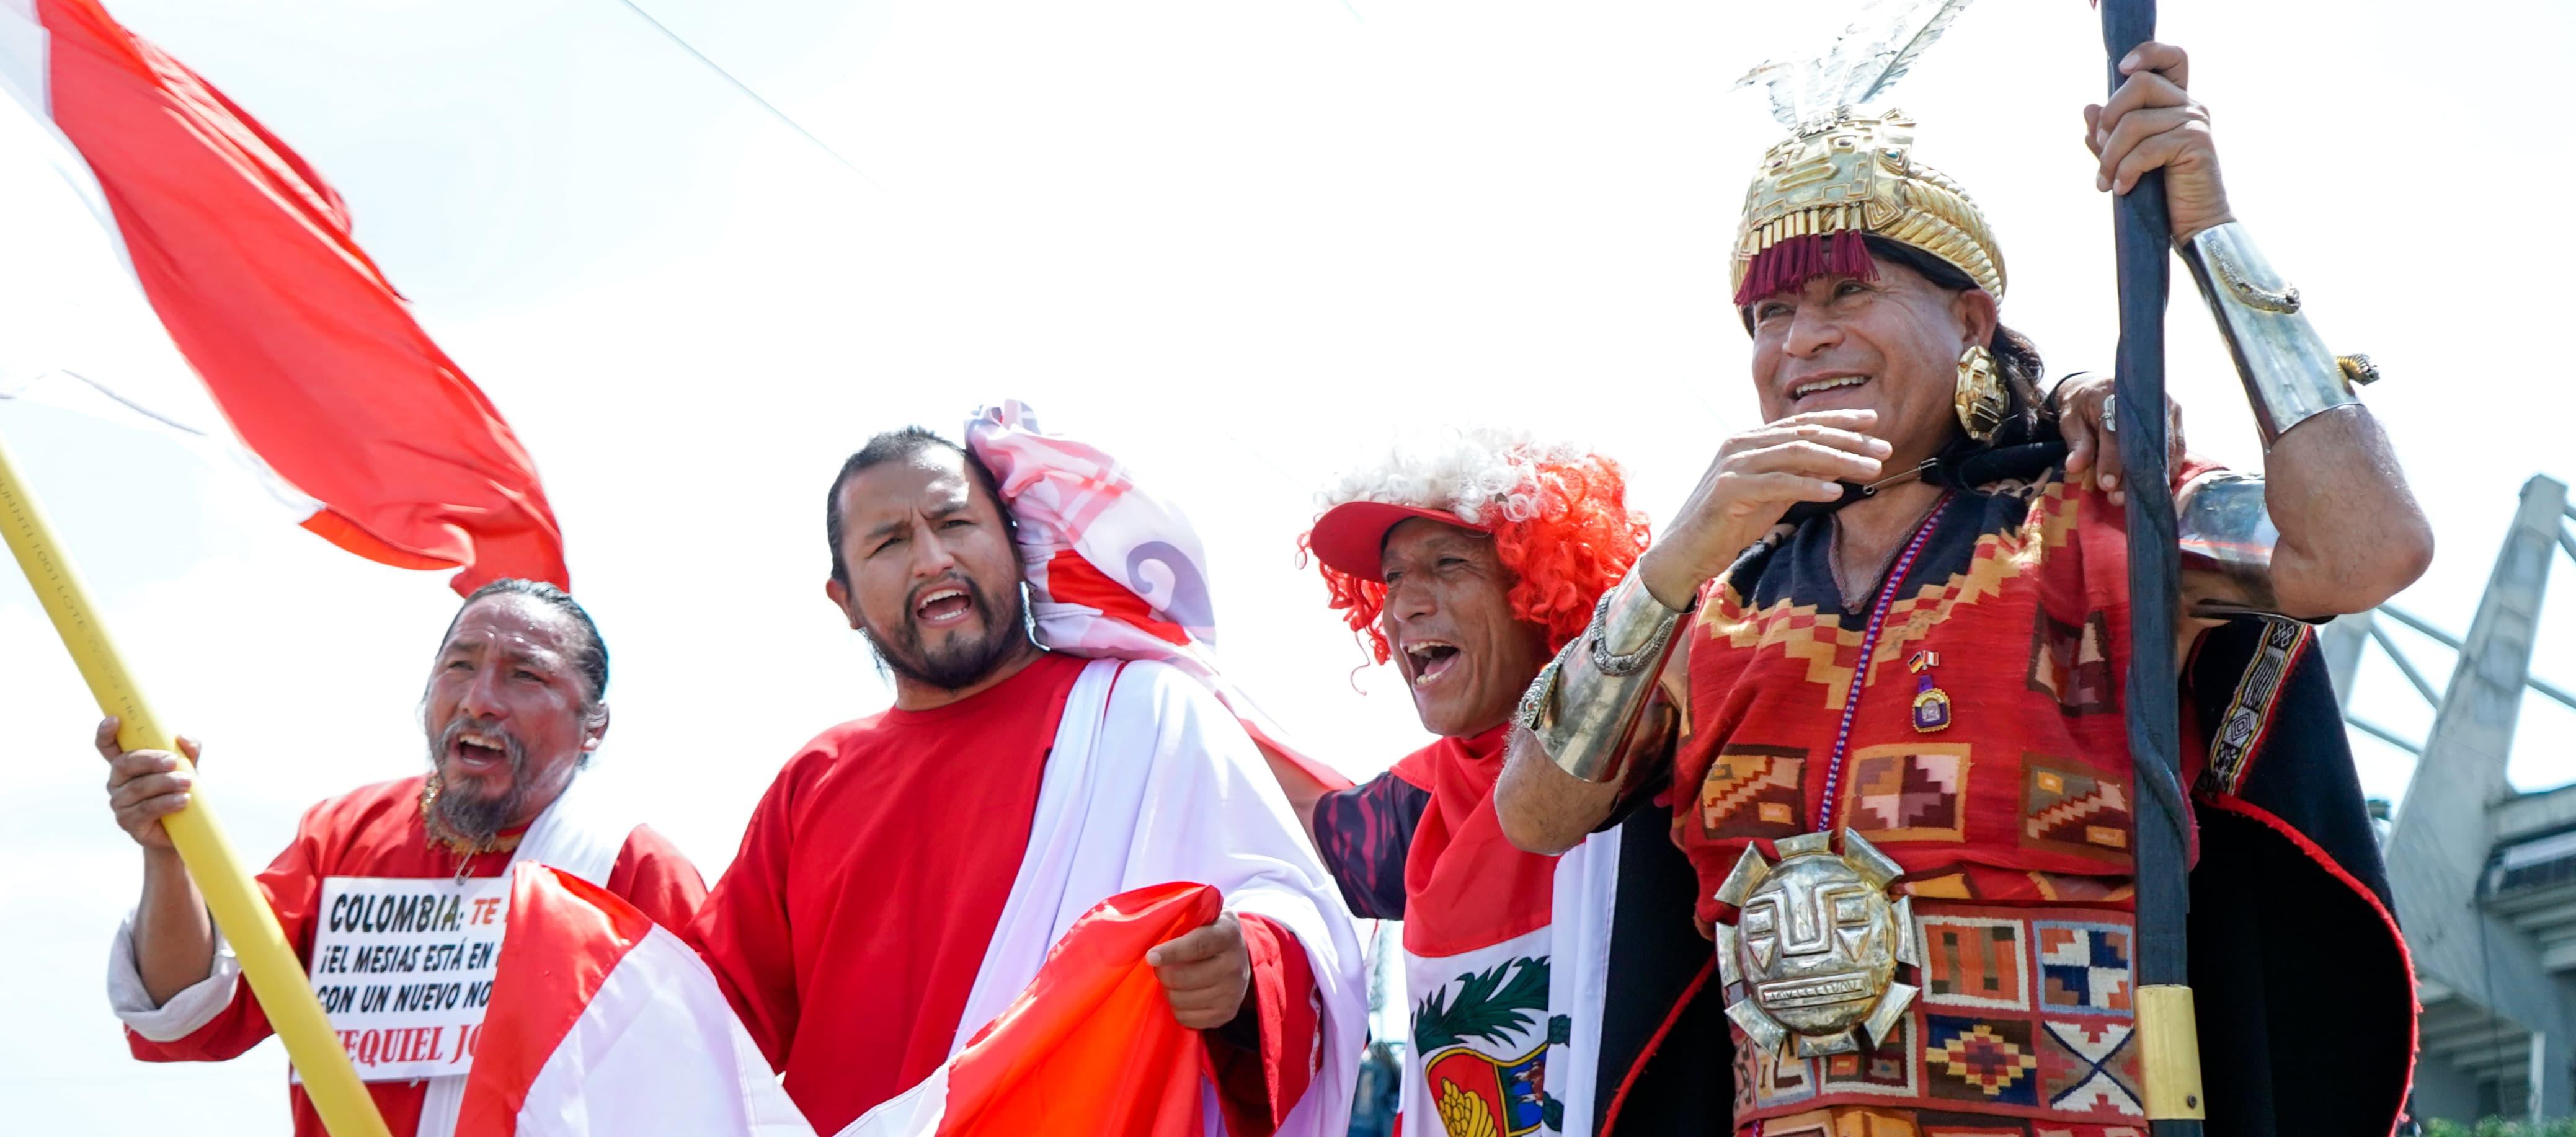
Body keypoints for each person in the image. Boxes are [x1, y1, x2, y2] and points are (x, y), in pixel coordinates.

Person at [1495, 39, 2429, 1135]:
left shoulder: (2103, 518)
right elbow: (1534, 808)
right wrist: (1669, 563)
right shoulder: (1711, 605)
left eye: (1847, 289)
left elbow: (2369, 547)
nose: (1803, 339)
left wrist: (2208, 236)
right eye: (1768, 316)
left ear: (1970, 322)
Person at [687, 428, 1359, 1136]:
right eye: (888, 543)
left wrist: (1246, 969)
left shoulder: (1143, 713)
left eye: (954, 522)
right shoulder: (811, 781)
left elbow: (1297, 918)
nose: (932, 557)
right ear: (844, 600)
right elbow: (701, 1025)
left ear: (1014, 544)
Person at [102, 579, 707, 1137]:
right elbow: (187, 1010)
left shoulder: (632, 869)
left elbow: (699, 1092)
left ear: (592, 726)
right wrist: (168, 853)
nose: (479, 700)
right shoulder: (343, 835)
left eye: (525, 675)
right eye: (459, 666)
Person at [1279, 429, 1720, 1136]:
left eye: (1447, 563)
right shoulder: (1419, 799)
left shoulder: (1666, 735)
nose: (1405, 607)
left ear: (1539, 586)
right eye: (1391, 579)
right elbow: (1278, 819)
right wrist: (1158, 673)